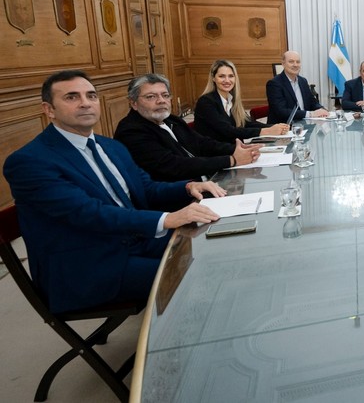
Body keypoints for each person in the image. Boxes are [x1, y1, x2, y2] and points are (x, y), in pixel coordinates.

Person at [2, 70, 223, 313]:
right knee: (198, 276)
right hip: (88, 264)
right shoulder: (29, 161)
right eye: (72, 97)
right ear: (49, 109)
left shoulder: (111, 147)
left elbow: (146, 189)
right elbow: (88, 213)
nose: (86, 103)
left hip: (133, 241)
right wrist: (168, 218)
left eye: (91, 95)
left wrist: (188, 187)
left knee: (212, 249)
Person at [115, 74, 261, 182]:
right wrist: (231, 160)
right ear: (133, 103)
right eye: (151, 97)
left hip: (207, 180)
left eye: (165, 95)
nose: (161, 101)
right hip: (180, 196)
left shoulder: (171, 119)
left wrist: (239, 150)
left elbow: (202, 143)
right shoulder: (131, 131)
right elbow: (174, 166)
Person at [194, 59, 289, 142]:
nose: (227, 80)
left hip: (234, 150)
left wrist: (274, 127)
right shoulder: (206, 102)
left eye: (231, 76)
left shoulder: (231, 99)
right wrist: (265, 132)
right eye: (222, 76)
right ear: (213, 78)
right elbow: (228, 131)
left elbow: (247, 123)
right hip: (215, 157)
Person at [266, 50, 328, 122]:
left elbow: (312, 102)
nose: (295, 65)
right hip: (284, 127)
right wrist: (310, 114)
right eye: (291, 62)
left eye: (298, 62)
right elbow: (281, 111)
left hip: (304, 123)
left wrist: (321, 109)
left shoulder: (303, 81)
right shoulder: (274, 84)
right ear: (283, 64)